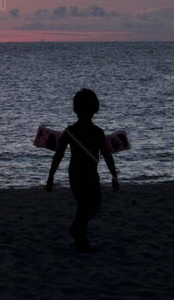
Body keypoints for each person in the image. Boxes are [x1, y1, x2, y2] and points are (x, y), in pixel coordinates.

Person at [46, 88, 119, 252]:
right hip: (81, 173)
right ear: (95, 108)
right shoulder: (84, 132)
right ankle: (80, 235)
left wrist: (114, 176)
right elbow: (59, 154)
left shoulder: (78, 132)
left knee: (91, 206)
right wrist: (50, 176)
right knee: (86, 205)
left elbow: (106, 155)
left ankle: (78, 231)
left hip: (86, 173)